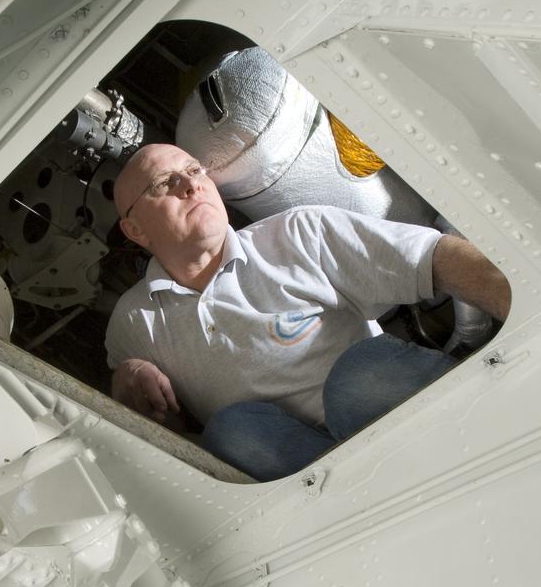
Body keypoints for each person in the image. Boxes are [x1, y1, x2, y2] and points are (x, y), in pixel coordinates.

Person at [105, 143, 511, 481]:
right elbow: (168, 437)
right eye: (165, 183)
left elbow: (433, 258)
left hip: (400, 418)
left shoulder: (296, 233)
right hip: (306, 478)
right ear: (135, 230)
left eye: (195, 170)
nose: (191, 184)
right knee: (232, 431)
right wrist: (127, 382)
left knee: (358, 377)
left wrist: (529, 302)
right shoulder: (132, 324)